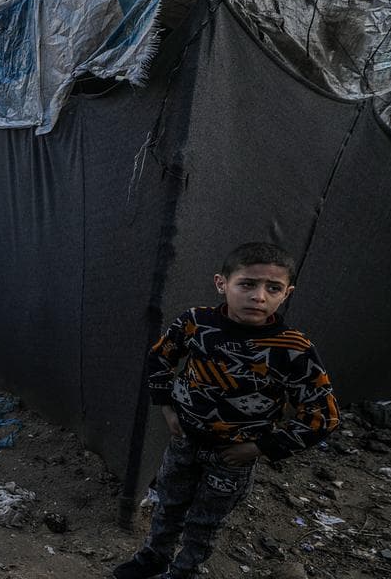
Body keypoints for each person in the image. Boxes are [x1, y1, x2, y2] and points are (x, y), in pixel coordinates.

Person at [114, 242, 340, 579]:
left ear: (286, 293)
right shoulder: (196, 322)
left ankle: (184, 571)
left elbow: (323, 416)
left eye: (272, 288)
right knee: (168, 507)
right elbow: (161, 357)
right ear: (222, 283)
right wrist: (166, 407)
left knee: (205, 521)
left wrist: (259, 448)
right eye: (247, 284)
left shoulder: (293, 349)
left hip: (232, 457)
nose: (258, 296)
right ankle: (153, 557)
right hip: (184, 442)